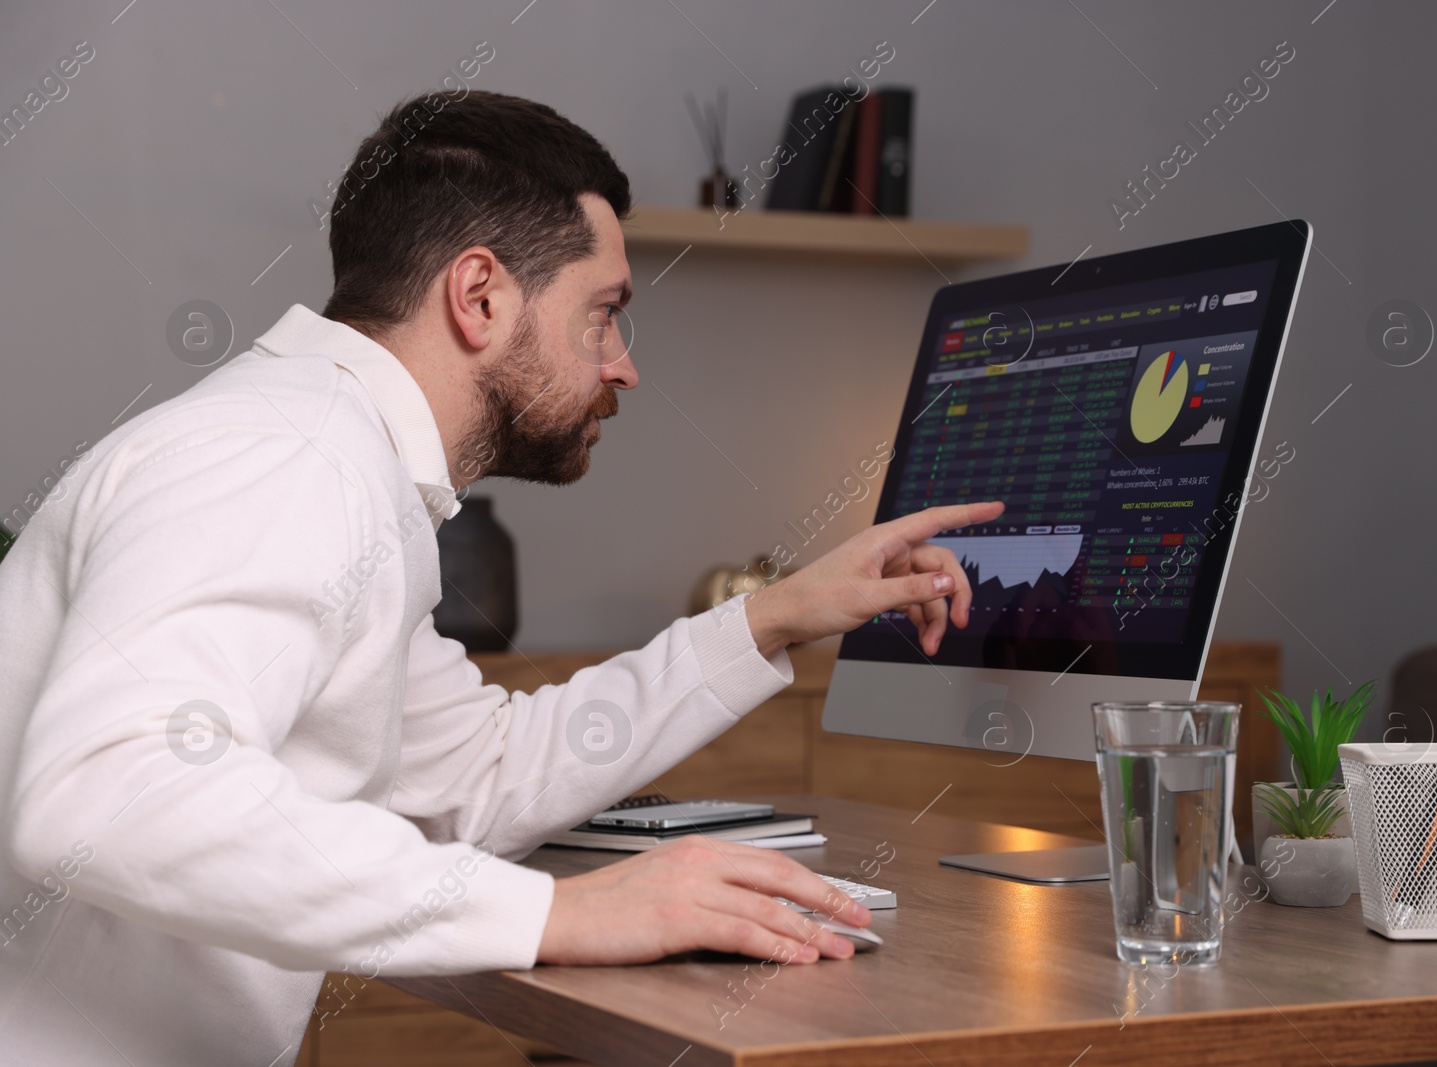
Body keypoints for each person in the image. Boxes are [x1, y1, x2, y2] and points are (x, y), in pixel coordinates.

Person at [0, 91, 1002, 1064]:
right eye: (602, 313)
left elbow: (472, 779)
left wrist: (772, 618)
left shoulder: (339, 462)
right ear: (479, 296)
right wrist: (557, 912)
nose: (624, 366)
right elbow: (112, 787)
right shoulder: (294, 456)